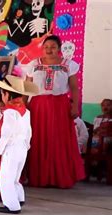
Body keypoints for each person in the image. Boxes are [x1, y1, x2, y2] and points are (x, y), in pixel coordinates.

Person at [26, 35, 85, 188]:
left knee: (57, 140)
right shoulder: (34, 64)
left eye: (52, 47)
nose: (49, 50)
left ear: (59, 49)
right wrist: (23, 106)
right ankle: (39, 177)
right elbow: (27, 88)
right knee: (38, 139)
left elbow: (74, 88)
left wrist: (74, 106)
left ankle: (59, 177)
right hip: (38, 106)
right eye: (46, 47)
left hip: (59, 106)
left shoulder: (68, 65)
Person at [0, 75, 38, 214]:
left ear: (6, 94)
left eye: (2, 94)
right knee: (16, 176)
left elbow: (6, 134)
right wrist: (26, 145)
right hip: (22, 146)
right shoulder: (25, 111)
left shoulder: (10, 111)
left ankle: (12, 205)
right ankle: (19, 198)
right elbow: (29, 131)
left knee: (6, 177)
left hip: (11, 147)